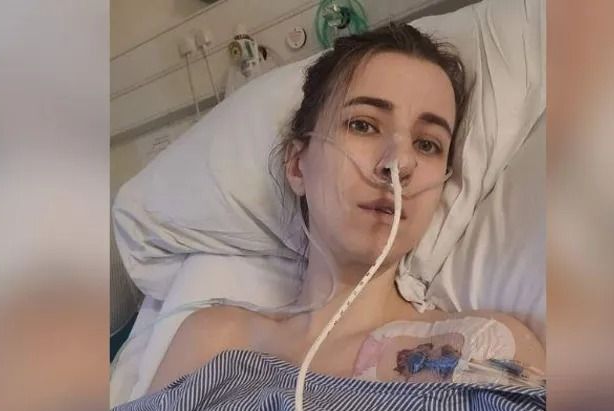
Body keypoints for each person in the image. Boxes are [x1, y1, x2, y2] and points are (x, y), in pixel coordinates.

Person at [153, 23, 545, 391]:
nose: (398, 164)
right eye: (363, 125)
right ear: (297, 165)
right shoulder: (215, 341)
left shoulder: (480, 346)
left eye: (427, 144)